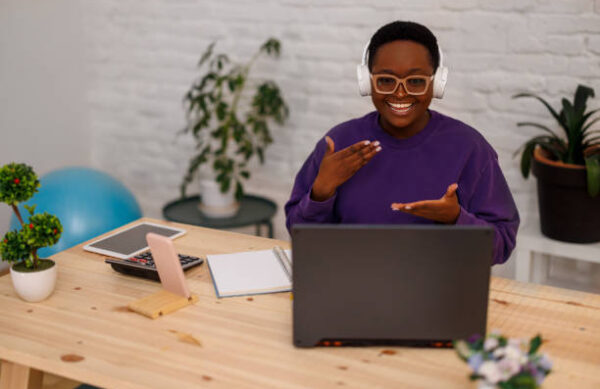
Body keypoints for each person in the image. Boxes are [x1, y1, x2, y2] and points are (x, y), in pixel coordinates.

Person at [284, 21, 520, 265]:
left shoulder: (470, 148)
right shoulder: (339, 142)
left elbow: (502, 244)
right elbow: (299, 233)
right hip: (351, 284)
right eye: (386, 80)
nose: (399, 93)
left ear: (436, 83)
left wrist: (456, 219)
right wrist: (321, 192)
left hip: (438, 290)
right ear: (367, 81)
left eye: (415, 81)